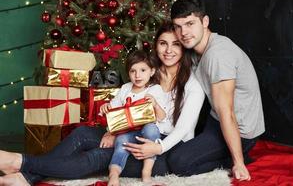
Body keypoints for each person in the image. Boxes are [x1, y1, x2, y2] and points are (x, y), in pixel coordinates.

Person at [0, 22, 205, 186]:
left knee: (98, 155)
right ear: (156, 46)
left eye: (176, 44)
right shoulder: (147, 73)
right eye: (163, 43)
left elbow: (182, 130)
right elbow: (124, 106)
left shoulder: (192, 85)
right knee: (82, 134)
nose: (169, 50)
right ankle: (25, 178)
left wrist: (156, 149)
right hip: (130, 132)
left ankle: (19, 162)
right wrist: (113, 131)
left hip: (162, 150)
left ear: (184, 47)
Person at [166, 0, 265, 181]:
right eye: (178, 26)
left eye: (189, 24)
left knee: (179, 161)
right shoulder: (194, 50)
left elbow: (227, 112)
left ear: (205, 21)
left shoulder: (218, 55)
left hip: (240, 130)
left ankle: (234, 158)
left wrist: (238, 162)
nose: (183, 32)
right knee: (174, 145)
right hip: (215, 120)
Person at [99, 50, 166, 186]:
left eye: (143, 70)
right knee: (121, 142)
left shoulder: (155, 89)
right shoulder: (125, 88)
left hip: (146, 132)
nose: (137, 75)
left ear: (152, 71)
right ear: (128, 73)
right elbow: (113, 109)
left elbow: (162, 117)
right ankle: (114, 174)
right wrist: (106, 107)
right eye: (132, 71)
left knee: (151, 129)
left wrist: (155, 104)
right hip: (128, 131)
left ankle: (146, 173)